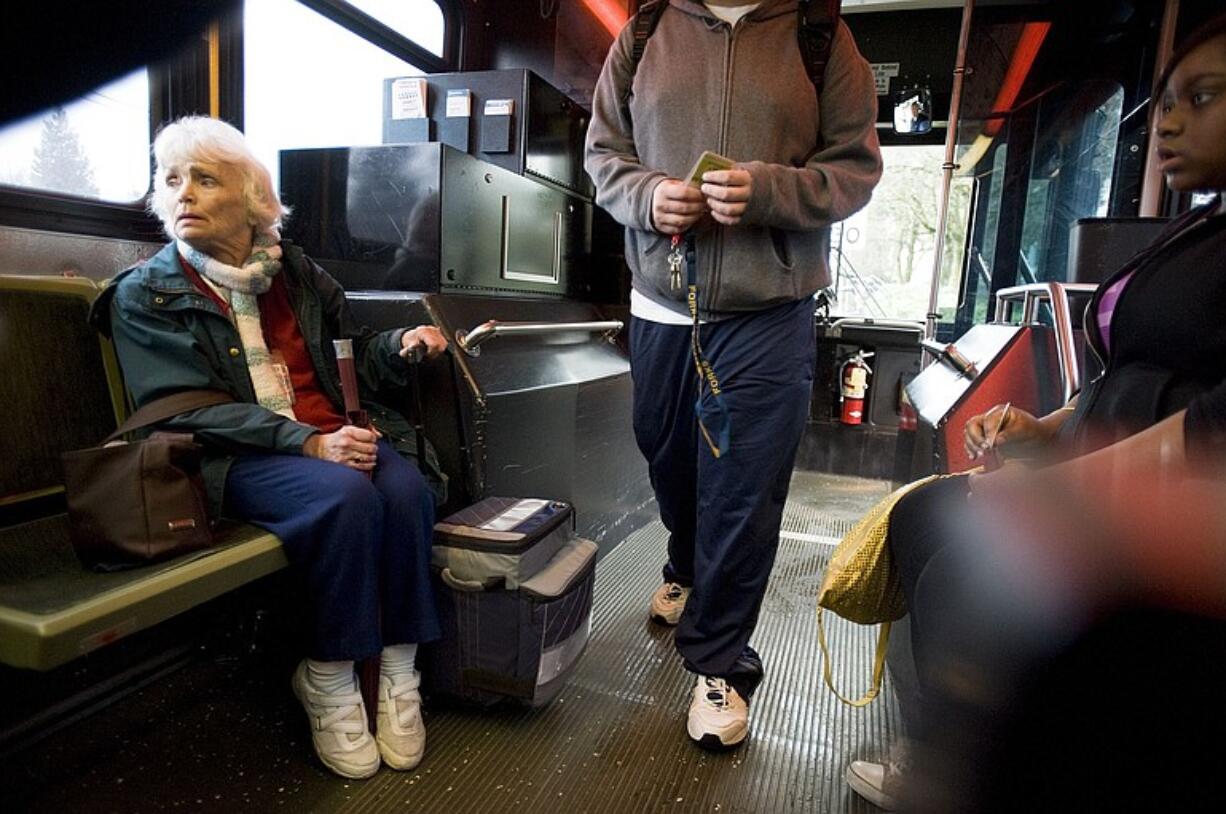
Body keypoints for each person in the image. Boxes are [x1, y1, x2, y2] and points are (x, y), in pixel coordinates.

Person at [846, 14, 1226, 810]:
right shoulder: (1195, 231)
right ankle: (941, 755)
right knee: (922, 518)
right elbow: (1124, 373)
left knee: (975, 558)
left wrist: (1067, 489)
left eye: (1203, 95)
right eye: (1162, 103)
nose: (1169, 121)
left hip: (1188, 513)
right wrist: (1042, 428)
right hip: (1101, 466)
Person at [94, 116, 448, 781]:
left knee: (405, 491)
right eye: (170, 180)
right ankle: (330, 675)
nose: (182, 194)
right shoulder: (146, 293)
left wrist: (396, 349)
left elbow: (350, 360)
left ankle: (400, 670)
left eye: (204, 179)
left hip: (327, 435)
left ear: (254, 198)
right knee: (347, 496)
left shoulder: (298, 275)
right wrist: (307, 443)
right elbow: (186, 408)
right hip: (232, 456)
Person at [585, 0, 882, 749]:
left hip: (770, 309)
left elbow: (854, 166)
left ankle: (719, 662)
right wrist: (648, 196)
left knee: (743, 492)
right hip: (660, 302)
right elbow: (603, 155)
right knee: (670, 462)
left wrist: (771, 192)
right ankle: (685, 565)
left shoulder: (820, 35)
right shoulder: (646, 30)